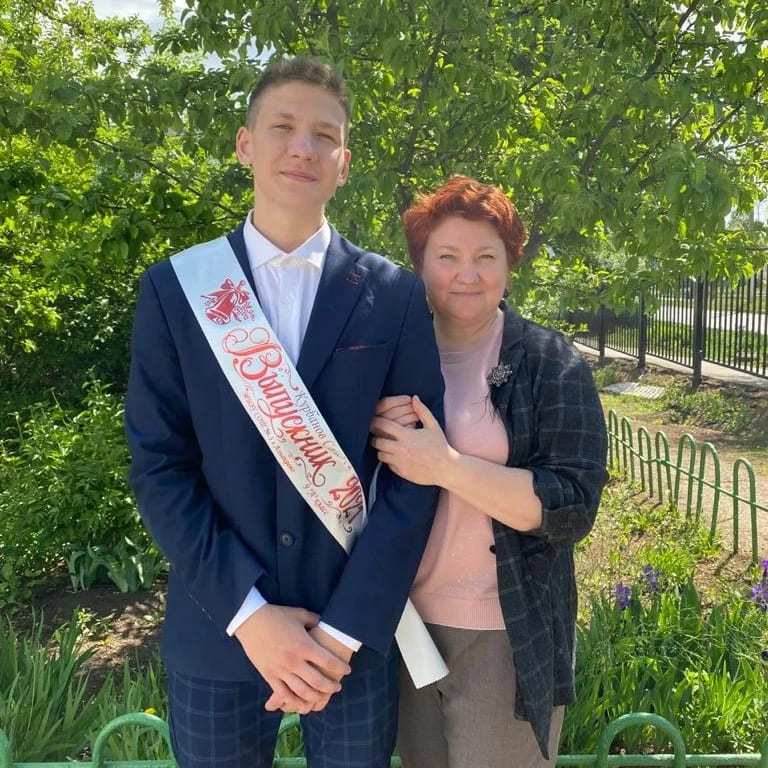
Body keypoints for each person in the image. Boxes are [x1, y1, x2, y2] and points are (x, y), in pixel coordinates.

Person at [125, 56, 444, 768]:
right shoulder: (177, 289)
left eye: (324, 135)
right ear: (245, 144)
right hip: (221, 628)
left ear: (344, 163)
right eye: (283, 127)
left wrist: (344, 629)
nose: (303, 147)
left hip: (350, 637)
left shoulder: (393, 295)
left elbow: (414, 476)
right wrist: (251, 616)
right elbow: (159, 466)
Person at [370, 175, 609, 768]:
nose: (467, 274)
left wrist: (446, 466)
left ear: (510, 264)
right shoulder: (384, 357)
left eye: (486, 256)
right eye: (447, 256)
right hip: (403, 623)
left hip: (504, 627)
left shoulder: (549, 361)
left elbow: (572, 504)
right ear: (420, 265)